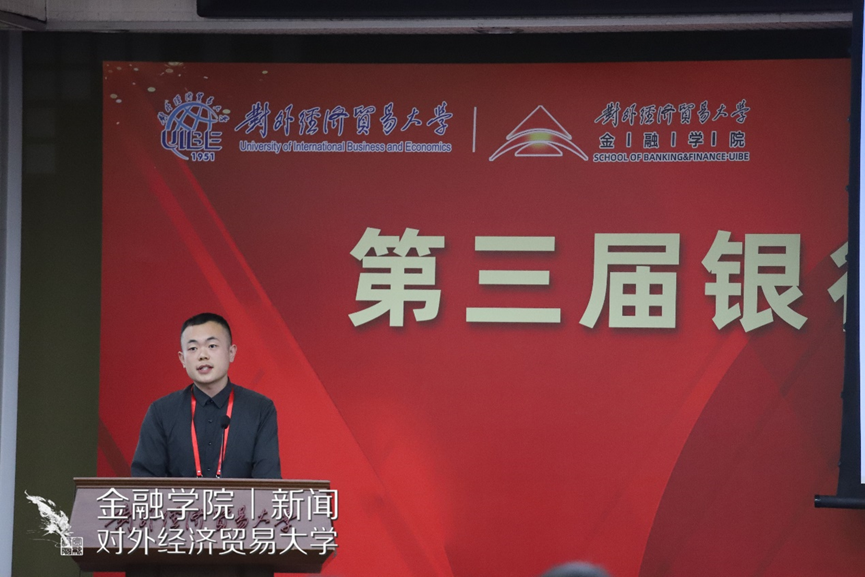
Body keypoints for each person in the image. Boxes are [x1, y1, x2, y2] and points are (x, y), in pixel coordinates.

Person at [131, 312, 281, 478]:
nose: (202, 355)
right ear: (182, 359)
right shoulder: (161, 412)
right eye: (193, 348)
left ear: (231, 352)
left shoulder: (259, 409)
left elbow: (267, 481)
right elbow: (144, 481)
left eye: (212, 346)